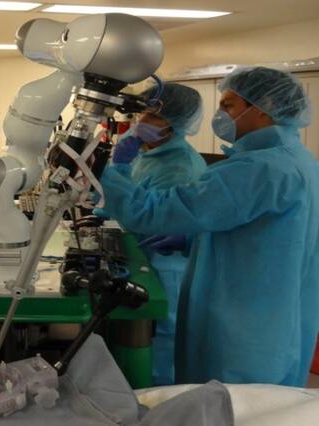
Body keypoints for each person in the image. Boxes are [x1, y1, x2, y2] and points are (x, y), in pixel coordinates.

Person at [98, 66, 319, 387]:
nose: (220, 114)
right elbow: (272, 235)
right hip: (279, 321)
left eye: (228, 105)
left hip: (242, 329)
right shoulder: (300, 160)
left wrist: (106, 170)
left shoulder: (256, 169)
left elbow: (147, 212)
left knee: (225, 404)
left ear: (265, 107)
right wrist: (192, 240)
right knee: (270, 404)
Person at [103, 83, 207, 385]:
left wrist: (117, 170)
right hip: (146, 258)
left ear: (176, 123)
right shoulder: (147, 154)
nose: (143, 121)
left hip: (167, 268)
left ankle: (159, 400)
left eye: (153, 115)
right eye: (142, 113)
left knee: (161, 345)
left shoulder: (180, 166)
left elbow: (147, 216)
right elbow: (130, 197)